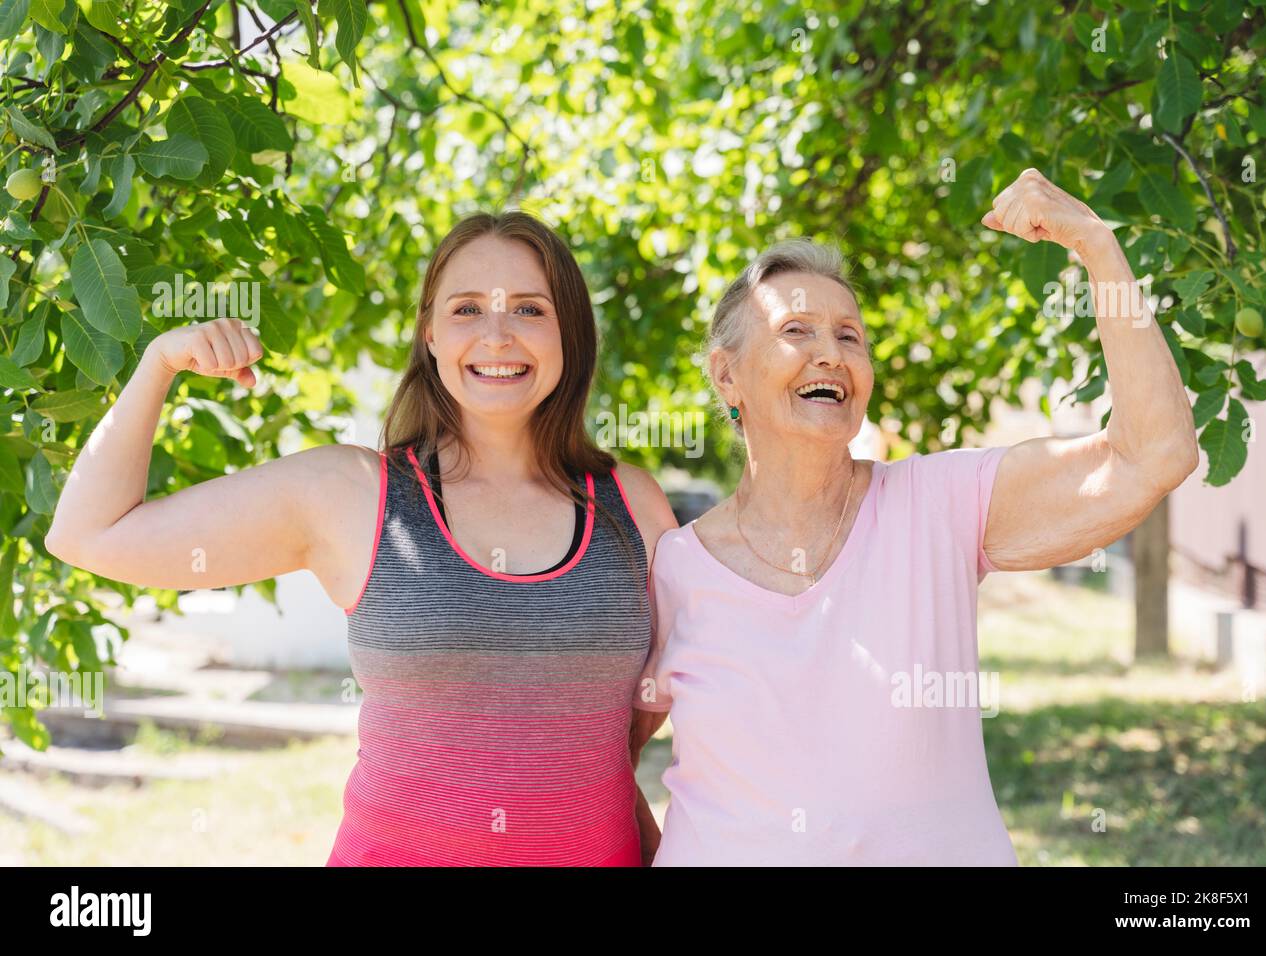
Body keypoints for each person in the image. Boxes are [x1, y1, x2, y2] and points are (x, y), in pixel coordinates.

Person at [45, 210, 678, 866]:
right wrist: (160, 364)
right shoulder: (350, 494)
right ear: (429, 334)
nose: (496, 335)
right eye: (466, 310)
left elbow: (649, 720)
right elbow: (91, 533)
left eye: (528, 309)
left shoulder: (631, 504)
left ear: (568, 331)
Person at [630, 168, 1200, 865]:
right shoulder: (672, 565)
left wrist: (1096, 247)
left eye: (850, 336)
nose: (830, 354)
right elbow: (600, 764)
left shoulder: (943, 504)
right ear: (726, 376)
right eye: (796, 329)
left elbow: (1154, 454)